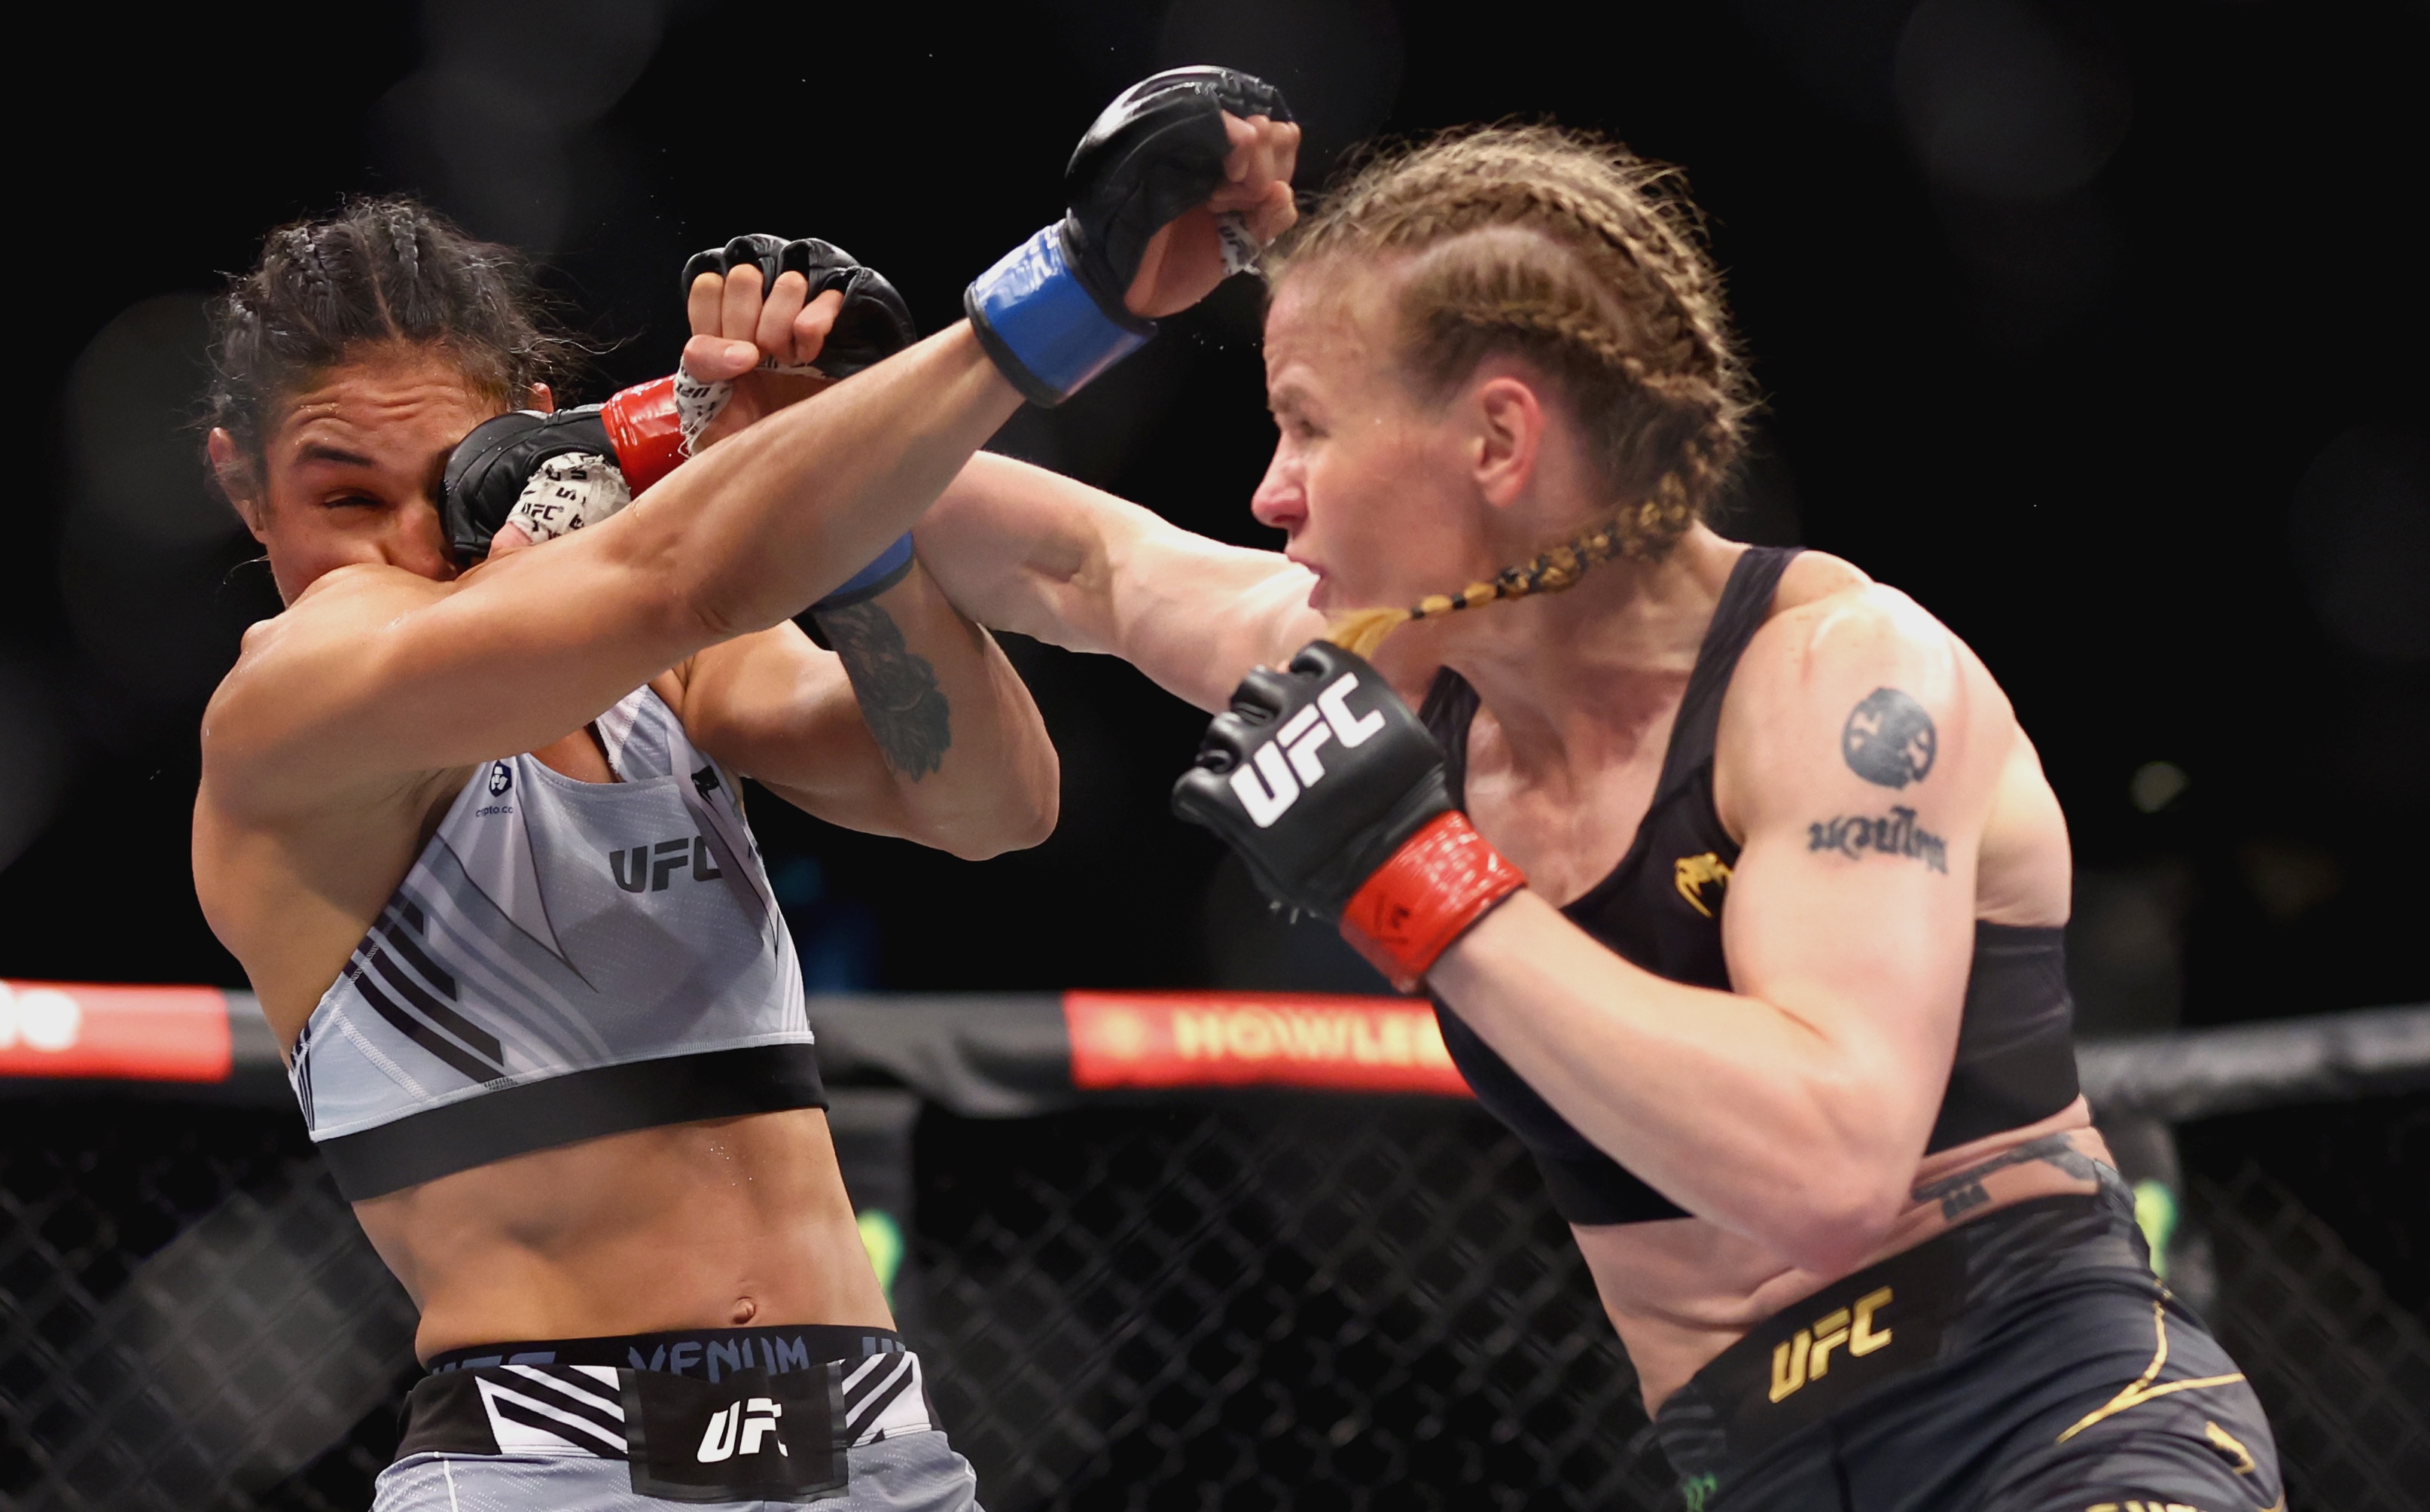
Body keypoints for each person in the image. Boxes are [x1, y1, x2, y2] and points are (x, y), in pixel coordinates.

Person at [910, 127, 2286, 1510]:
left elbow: (1831, 1169)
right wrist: (886, 371)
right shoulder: (1397, 670)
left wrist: (1415, 875)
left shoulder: (1845, 680)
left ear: (1499, 440)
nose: (1272, 489)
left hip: (2060, 1431)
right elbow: (1078, 566)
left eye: (1310, 426)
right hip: (1757, 1478)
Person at [190, 69, 1299, 1510]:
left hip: (877, 1446)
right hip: (559, 1465)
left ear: (532, 435)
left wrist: (855, 542)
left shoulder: (667, 674)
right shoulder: (286, 711)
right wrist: (1074, 289)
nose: (409, 543)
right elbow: (677, 573)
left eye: (454, 481)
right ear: (242, 489)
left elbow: (986, 801)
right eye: (345, 499)